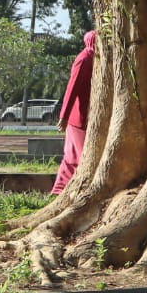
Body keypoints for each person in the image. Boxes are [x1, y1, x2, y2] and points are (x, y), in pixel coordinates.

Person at [52, 30, 96, 195]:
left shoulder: (95, 59)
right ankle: (60, 190)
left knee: (73, 155)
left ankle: (59, 189)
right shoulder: (84, 59)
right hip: (78, 118)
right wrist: (63, 116)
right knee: (77, 156)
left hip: (84, 116)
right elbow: (72, 87)